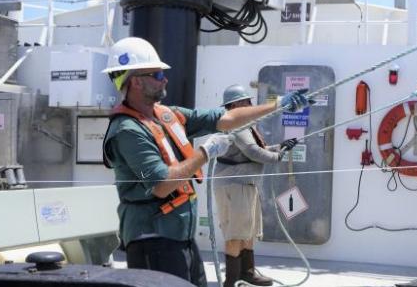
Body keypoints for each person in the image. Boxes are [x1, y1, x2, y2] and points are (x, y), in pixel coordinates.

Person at [101, 37, 310, 286]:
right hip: (153, 241)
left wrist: (278, 105)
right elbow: (161, 184)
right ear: (135, 81)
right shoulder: (127, 131)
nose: (165, 78)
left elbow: (224, 117)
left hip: (179, 237)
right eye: (157, 74)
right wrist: (205, 152)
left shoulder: (167, 115)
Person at [213, 84, 299, 287]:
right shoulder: (236, 124)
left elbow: (255, 149)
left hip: (246, 185)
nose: (250, 105)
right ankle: (232, 280)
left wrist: (280, 146)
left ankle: (247, 273)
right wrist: (277, 156)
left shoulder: (245, 125)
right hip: (234, 186)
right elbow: (253, 152)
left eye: (249, 101)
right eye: (245, 102)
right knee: (236, 234)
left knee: (249, 231)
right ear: (234, 105)